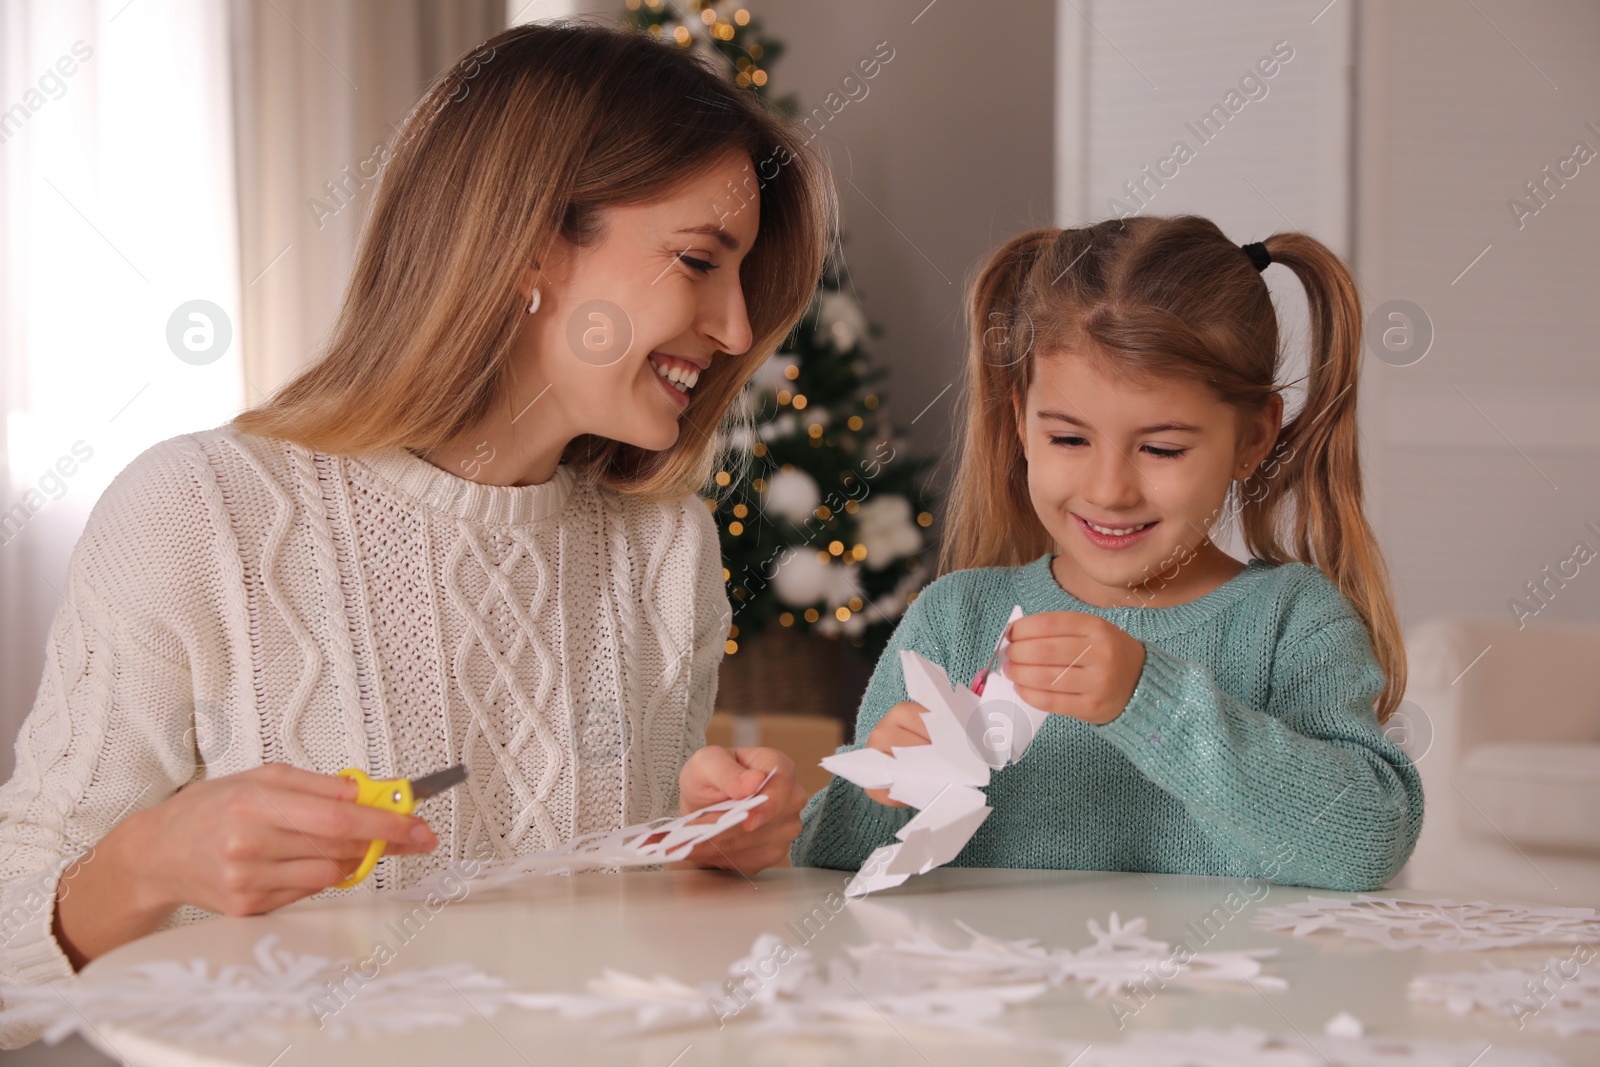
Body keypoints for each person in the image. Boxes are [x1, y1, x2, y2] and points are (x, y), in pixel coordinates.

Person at [0, 18, 836, 1029]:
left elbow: (630, 933)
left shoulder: (663, 549)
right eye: (701, 260)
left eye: (743, 277)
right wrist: (147, 858)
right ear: (531, 241)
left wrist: (712, 846)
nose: (740, 329)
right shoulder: (199, 512)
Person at [792, 215, 1423, 893]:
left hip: (1230, 997)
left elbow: (1369, 841)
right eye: (1069, 439)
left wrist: (1147, 698)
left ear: (1253, 437)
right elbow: (828, 861)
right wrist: (881, 787)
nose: (1109, 489)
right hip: (1000, 995)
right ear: (1021, 424)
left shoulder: (1293, 623)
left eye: (1161, 449)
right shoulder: (953, 620)